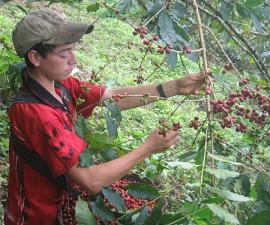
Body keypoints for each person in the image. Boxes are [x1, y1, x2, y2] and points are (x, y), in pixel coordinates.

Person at [4, 8, 205, 225]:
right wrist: (148, 148)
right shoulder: (37, 114)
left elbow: (111, 98)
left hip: (62, 202)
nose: (73, 59)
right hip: (37, 217)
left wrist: (173, 86)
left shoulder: (59, 84)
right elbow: (90, 180)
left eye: (73, 50)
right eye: (64, 53)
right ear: (35, 57)